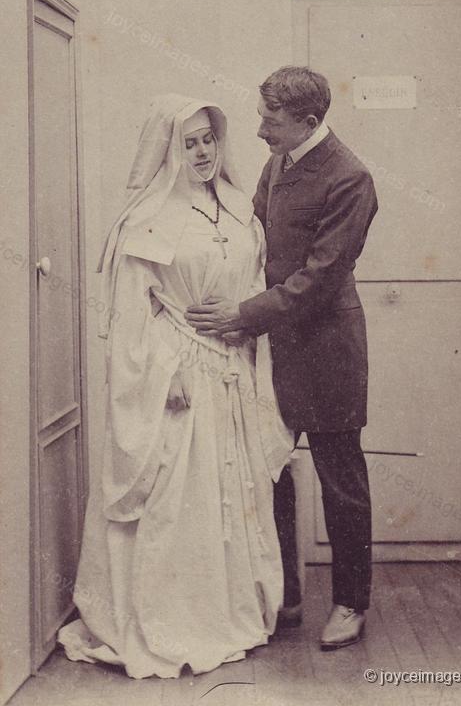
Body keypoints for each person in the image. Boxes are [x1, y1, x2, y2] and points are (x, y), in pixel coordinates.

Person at [58, 94, 293, 679]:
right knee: (173, 502)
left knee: (230, 494)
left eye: (209, 139)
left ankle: (228, 614)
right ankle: (166, 621)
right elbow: (133, 312)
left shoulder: (238, 208)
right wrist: (165, 373)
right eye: (189, 143)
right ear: (168, 149)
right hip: (180, 372)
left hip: (233, 371)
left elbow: (256, 280)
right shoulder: (147, 219)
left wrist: (243, 319)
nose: (203, 152)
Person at [186, 67, 378, 651]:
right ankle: (285, 594)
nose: (260, 130)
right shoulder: (279, 162)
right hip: (273, 347)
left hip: (326, 351)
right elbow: (252, 241)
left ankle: (351, 602)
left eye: (271, 120)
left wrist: (243, 314)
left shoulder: (350, 178)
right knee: (268, 469)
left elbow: (320, 278)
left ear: (308, 122)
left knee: (340, 480)